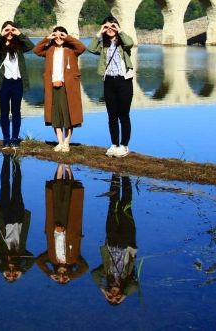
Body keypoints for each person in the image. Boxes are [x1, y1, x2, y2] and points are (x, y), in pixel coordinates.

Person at [32, 25, 87, 152]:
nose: (58, 37)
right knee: (55, 115)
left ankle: (67, 142)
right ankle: (60, 142)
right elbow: (36, 50)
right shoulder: (49, 50)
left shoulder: (72, 50)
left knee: (68, 115)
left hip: (68, 87)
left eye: (61, 35)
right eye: (56, 35)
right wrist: (47, 38)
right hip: (53, 87)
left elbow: (82, 47)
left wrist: (67, 38)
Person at [88, 16, 135, 158]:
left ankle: (124, 145)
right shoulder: (104, 45)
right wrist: (99, 32)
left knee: (124, 115)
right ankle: (114, 144)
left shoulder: (123, 43)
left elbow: (130, 43)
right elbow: (90, 49)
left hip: (124, 81)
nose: (109, 29)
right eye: (106, 27)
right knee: (112, 115)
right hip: (108, 81)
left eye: (112, 27)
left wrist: (118, 30)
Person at [36, 163, 88, 284]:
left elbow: (38, 261)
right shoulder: (73, 260)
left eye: (59, 277)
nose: (61, 274)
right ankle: (68, 168)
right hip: (70, 224)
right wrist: (72, 276)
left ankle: (60, 166)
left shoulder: (52, 258)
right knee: (70, 196)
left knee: (56, 197)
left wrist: (50, 273)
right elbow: (85, 268)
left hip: (54, 224)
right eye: (64, 277)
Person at [92, 174, 140, 305]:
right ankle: (125, 176)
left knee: (113, 204)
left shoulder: (107, 273)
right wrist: (124, 296)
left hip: (111, 240)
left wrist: (102, 290)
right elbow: (135, 286)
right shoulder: (128, 277)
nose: (114, 295)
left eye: (110, 297)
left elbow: (94, 275)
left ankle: (115, 174)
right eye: (116, 297)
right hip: (127, 241)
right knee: (126, 205)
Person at [0, 20, 35, 147]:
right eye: (7, 30)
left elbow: (31, 46)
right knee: (4, 111)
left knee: (16, 111)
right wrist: (1, 35)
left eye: (12, 30)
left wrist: (19, 34)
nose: (9, 33)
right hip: (3, 82)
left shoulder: (19, 46)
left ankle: (14, 139)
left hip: (17, 82)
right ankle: (6, 139)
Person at [0, 153, 34, 282]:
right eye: (14, 275)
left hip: (5, 217)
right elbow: (33, 259)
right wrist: (22, 271)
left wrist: (2, 269)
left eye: (9, 275)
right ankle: (16, 160)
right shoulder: (22, 254)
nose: (11, 272)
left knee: (5, 184)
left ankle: (6, 158)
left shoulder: (1, 252)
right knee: (17, 186)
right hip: (19, 217)